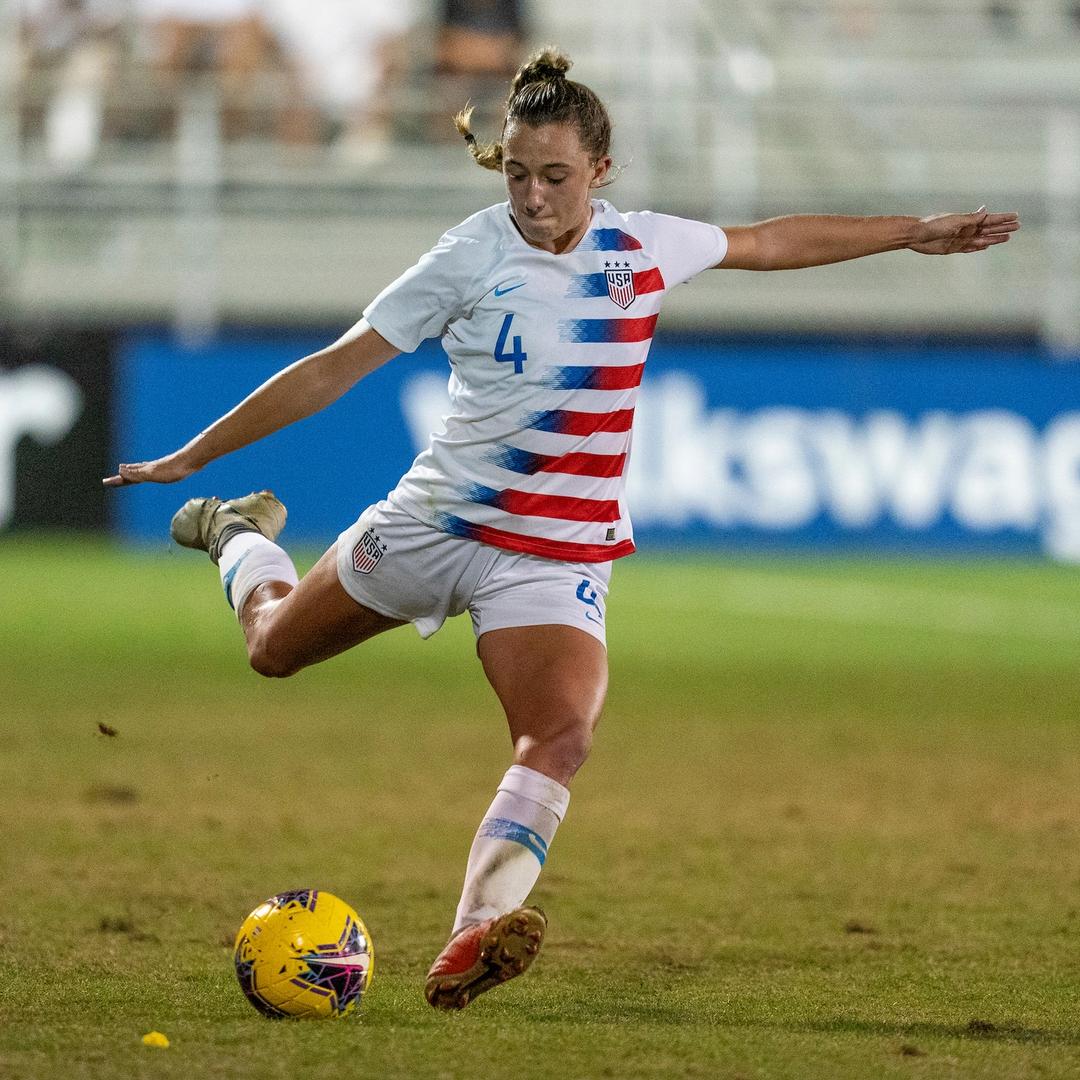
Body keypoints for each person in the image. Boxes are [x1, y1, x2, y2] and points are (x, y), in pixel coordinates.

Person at [103, 48, 1019, 1011]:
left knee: (560, 733)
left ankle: (473, 933)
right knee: (272, 651)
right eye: (518, 176)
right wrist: (193, 457)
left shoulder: (646, 248)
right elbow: (334, 368)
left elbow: (770, 241)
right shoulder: (467, 256)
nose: (534, 198)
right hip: (433, 524)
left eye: (555, 177)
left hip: (550, 552)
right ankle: (241, 535)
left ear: (601, 173)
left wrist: (912, 233)